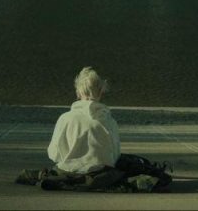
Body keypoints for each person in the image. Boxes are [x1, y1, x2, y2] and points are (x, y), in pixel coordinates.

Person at [16, 67, 170, 192]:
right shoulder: (108, 121)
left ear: (78, 92)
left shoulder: (65, 118)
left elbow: (54, 153)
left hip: (67, 170)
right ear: (101, 92)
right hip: (100, 174)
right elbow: (114, 156)